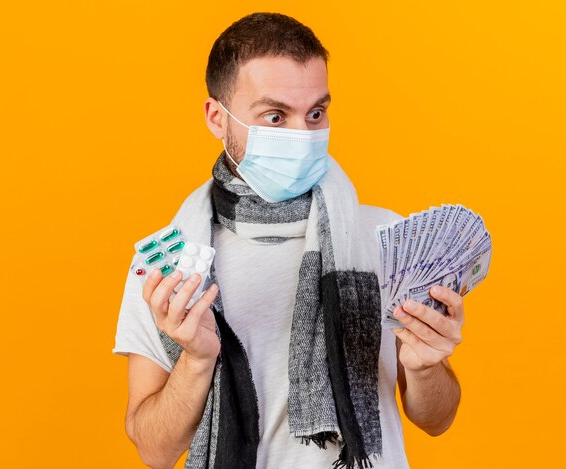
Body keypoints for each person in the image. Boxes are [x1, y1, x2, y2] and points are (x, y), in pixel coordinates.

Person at [113, 12, 464, 469]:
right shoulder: (169, 264)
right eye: (275, 116)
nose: (303, 135)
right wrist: (196, 361)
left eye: (316, 112)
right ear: (217, 118)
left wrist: (425, 366)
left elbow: (437, 419)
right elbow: (153, 449)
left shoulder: (386, 239)